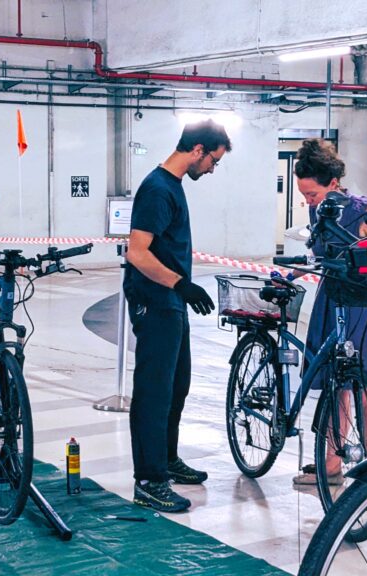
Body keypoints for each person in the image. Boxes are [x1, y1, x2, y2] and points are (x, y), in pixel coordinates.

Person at [123, 119, 230, 513]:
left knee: (176, 385)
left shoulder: (173, 186)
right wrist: (180, 283)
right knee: (154, 391)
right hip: (155, 300)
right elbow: (136, 252)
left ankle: (166, 460)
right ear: (198, 150)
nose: (213, 169)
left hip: (170, 302)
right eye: (213, 161)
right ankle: (149, 480)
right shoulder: (157, 189)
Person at [291, 138, 367, 486]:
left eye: (312, 195)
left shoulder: (364, 209)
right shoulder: (318, 209)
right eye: (304, 195)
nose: (308, 202)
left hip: (361, 306)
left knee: (363, 386)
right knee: (338, 387)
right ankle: (332, 463)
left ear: (333, 184)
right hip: (331, 299)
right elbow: (321, 252)